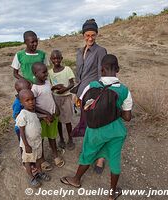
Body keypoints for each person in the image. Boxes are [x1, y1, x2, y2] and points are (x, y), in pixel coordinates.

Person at [60, 54, 133, 200]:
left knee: (88, 153)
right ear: (117, 69)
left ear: (101, 69)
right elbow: (127, 117)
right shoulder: (125, 90)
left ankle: (76, 180)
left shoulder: (91, 85)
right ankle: (112, 193)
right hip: (116, 131)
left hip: (95, 130)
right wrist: (113, 110)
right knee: (114, 159)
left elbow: (80, 104)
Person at [72, 19, 107, 173]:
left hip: (94, 94)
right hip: (82, 94)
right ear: (83, 35)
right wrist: (76, 94)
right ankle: (91, 152)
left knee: (97, 126)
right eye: (87, 35)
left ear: (97, 34)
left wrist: (99, 97)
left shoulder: (101, 51)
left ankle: (100, 158)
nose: (90, 38)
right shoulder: (80, 52)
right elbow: (78, 76)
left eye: (93, 35)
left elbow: (102, 75)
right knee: (88, 126)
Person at [31, 62, 65, 170]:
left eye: (46, 71)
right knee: (40, 139)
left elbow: (50, 94)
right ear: (35, 73)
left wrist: (56, 107)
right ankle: (41, 159)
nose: (46, 74)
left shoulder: (46, 82)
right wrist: (46, 114)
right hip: (42, 118)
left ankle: (55, 155)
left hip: (52, 115)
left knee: (52, 137)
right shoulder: (34, 89)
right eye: (44, 72)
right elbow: (34, 106)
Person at [16, 89, 51, 188]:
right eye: (27, 100)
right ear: (22, 102)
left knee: (38, 159)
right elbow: (21, 132)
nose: (31, 102)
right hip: (28, 143)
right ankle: (31, 177)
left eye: (32, 99)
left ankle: (39, 172)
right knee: (28, 161)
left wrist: (44, 117)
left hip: (37, 141)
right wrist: (26, 145)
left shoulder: (33, 112)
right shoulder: (22, 114)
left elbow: (34, 120)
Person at [48, 50, 75, 150]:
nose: (56, 60)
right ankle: (62, 139)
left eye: (58, 58)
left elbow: (72, 83)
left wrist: (64, 89)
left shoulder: (67, 69)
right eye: (54, 58)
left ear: (61, 58)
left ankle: (70, 138)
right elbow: (49, 87)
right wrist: (55, 87)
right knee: (58, 120)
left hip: (67, 97)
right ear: (51, 59)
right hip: (55, 98)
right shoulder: (49, 73)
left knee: (67, 120)